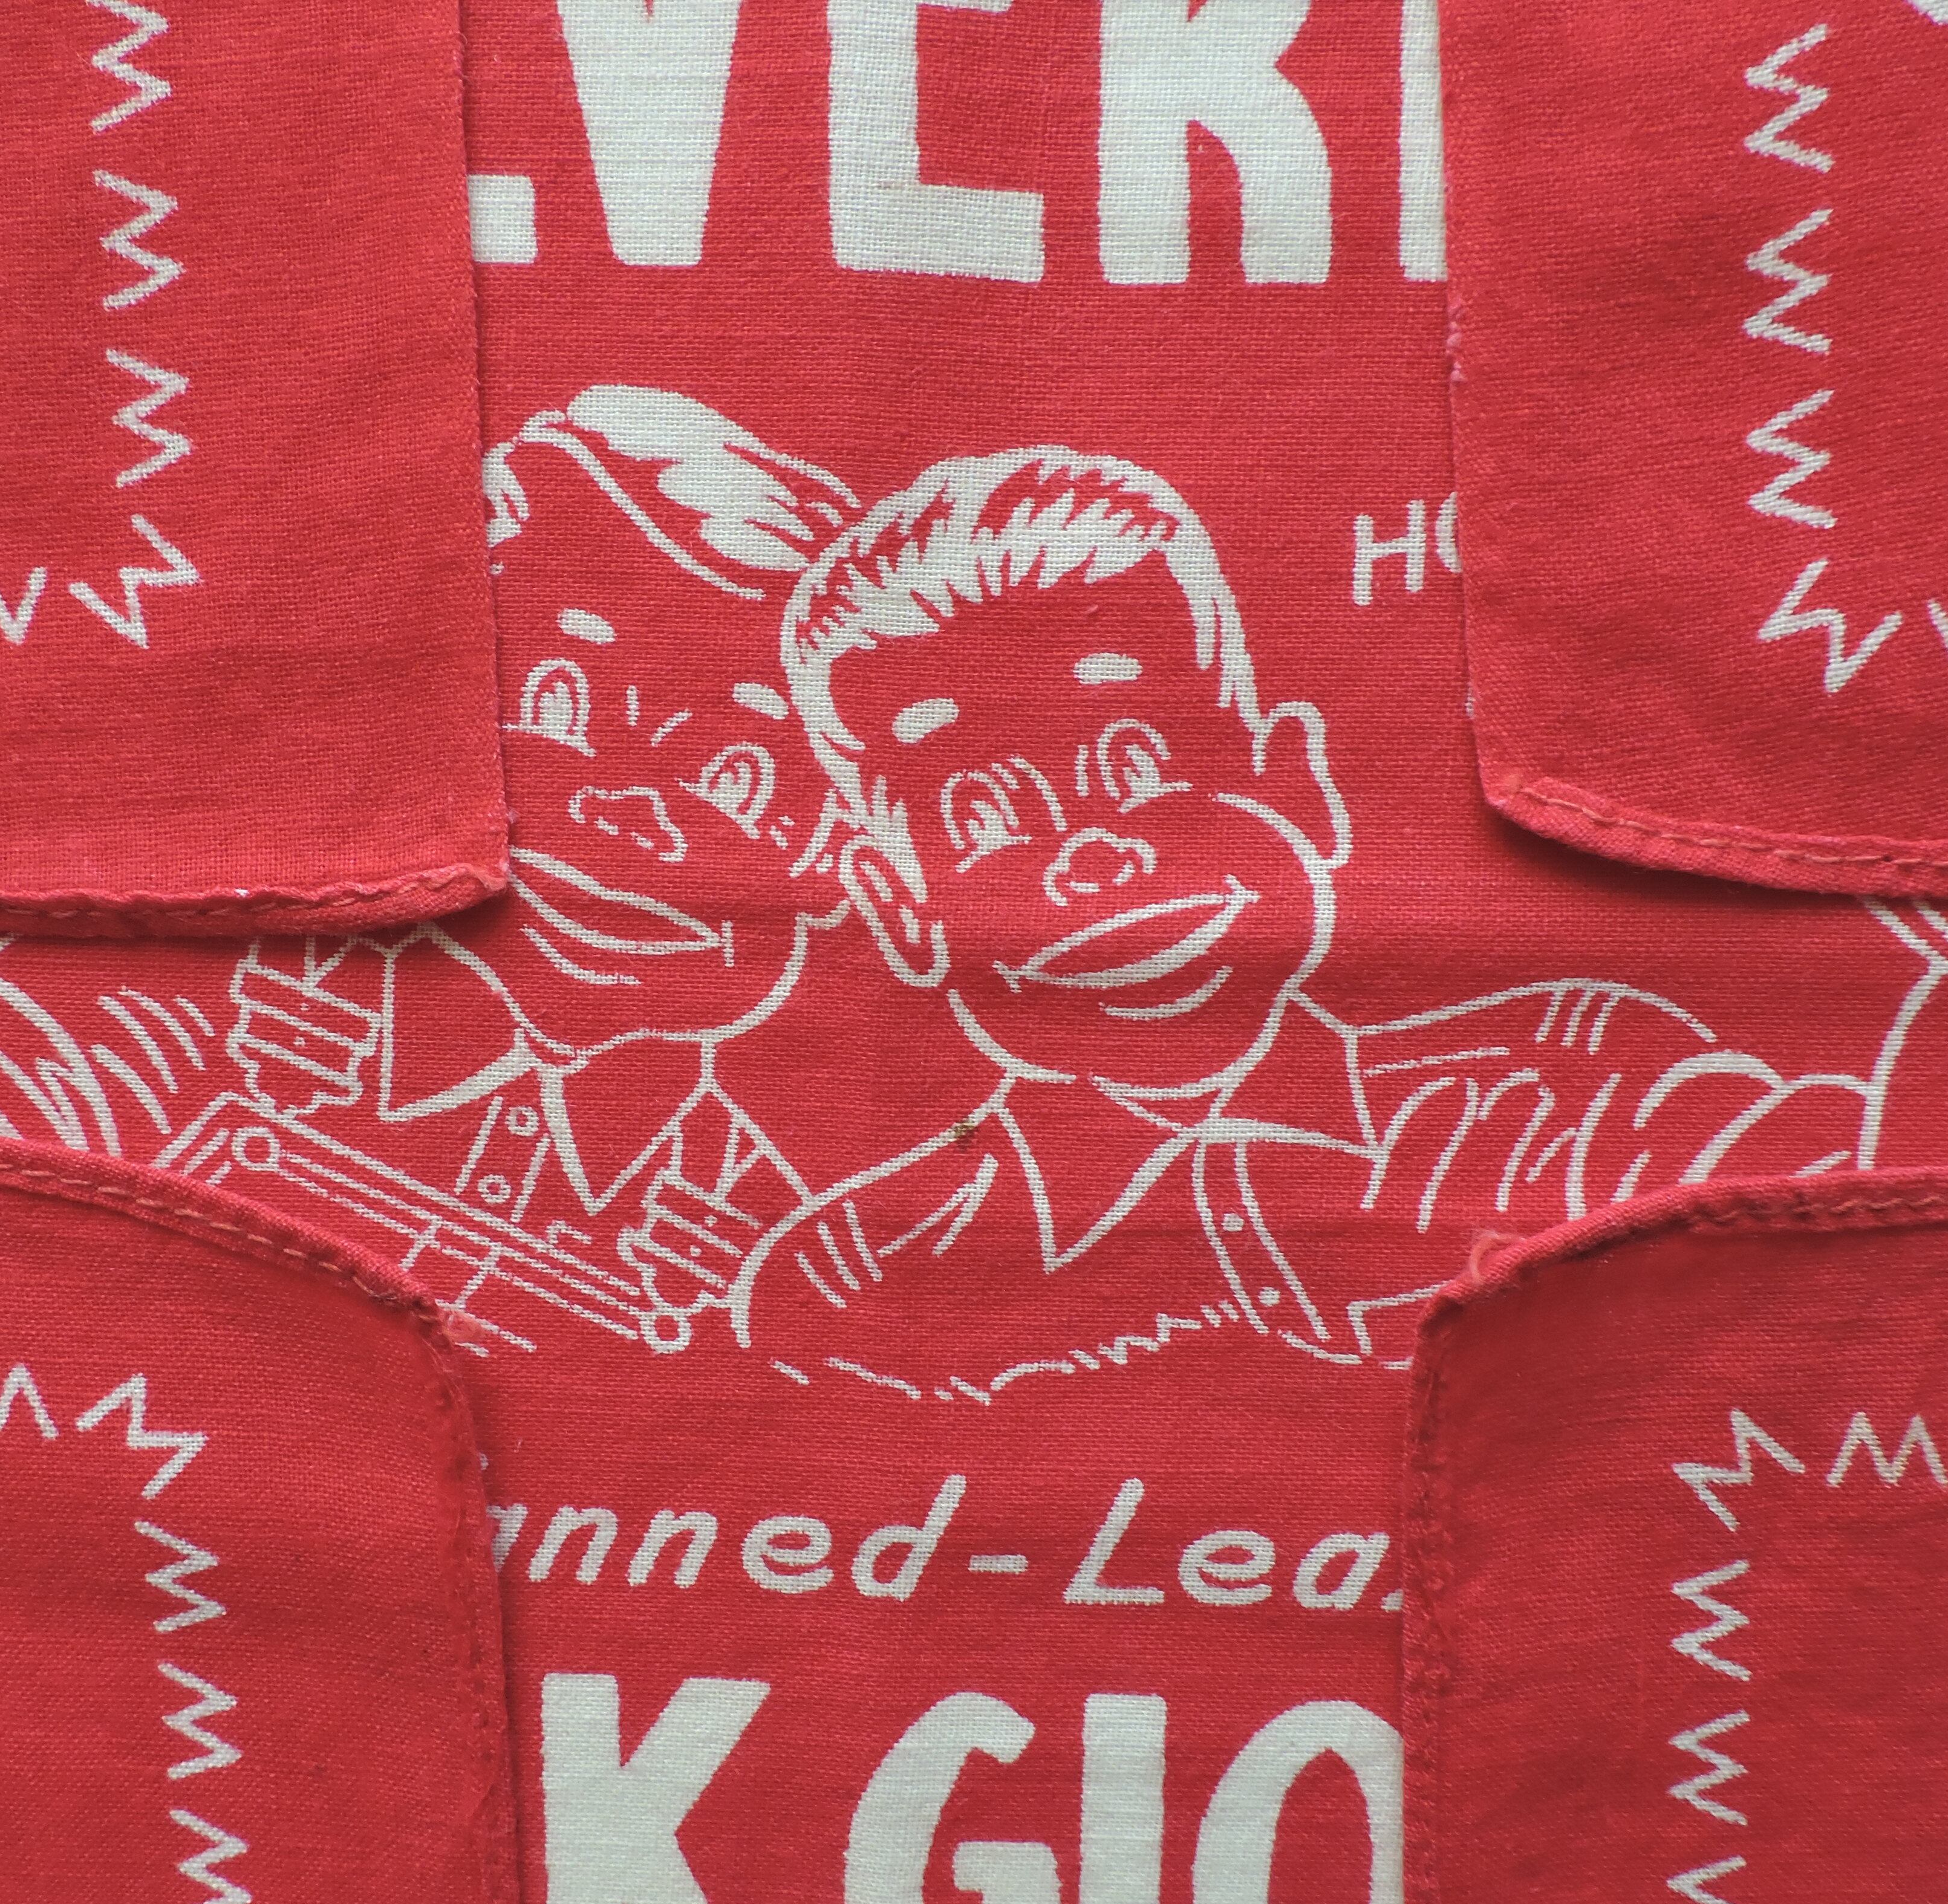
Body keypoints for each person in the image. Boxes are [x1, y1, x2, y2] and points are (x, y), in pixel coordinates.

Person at [735, 448, 1860, 1386]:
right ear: (898, 908)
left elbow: (1825, 1282)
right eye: (987, 814)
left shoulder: (1574, 1074)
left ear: (1295, 785)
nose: (1094, 851)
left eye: (1140, 764)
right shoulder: (853, 1273)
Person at [171, 386, 862, 1350]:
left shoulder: (735, 1195)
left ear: (840, 849)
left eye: (733, 778)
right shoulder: (247, 1017)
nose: (627, 806)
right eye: (559, 704)